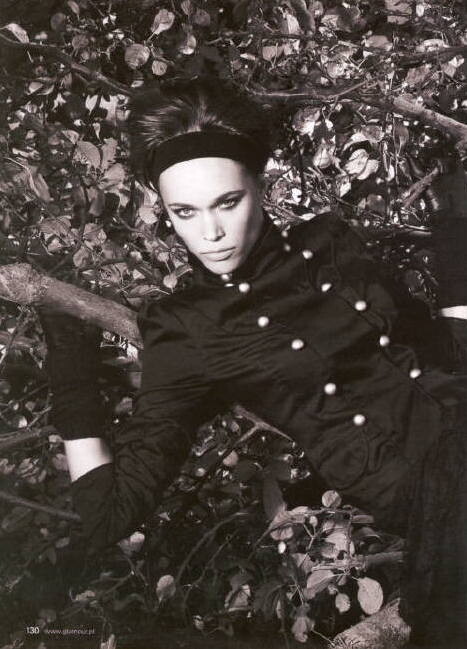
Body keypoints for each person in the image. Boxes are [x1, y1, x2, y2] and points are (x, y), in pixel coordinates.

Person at [40, 77, 467, 648]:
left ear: (259, 186)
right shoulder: (187, 329)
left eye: (228, 202)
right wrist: (70, 367)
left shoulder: (330, 242)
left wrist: (456, 233)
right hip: (431, 497)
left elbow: (445, 355)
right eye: (184, 212)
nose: (210, 233)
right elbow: (107, 515)